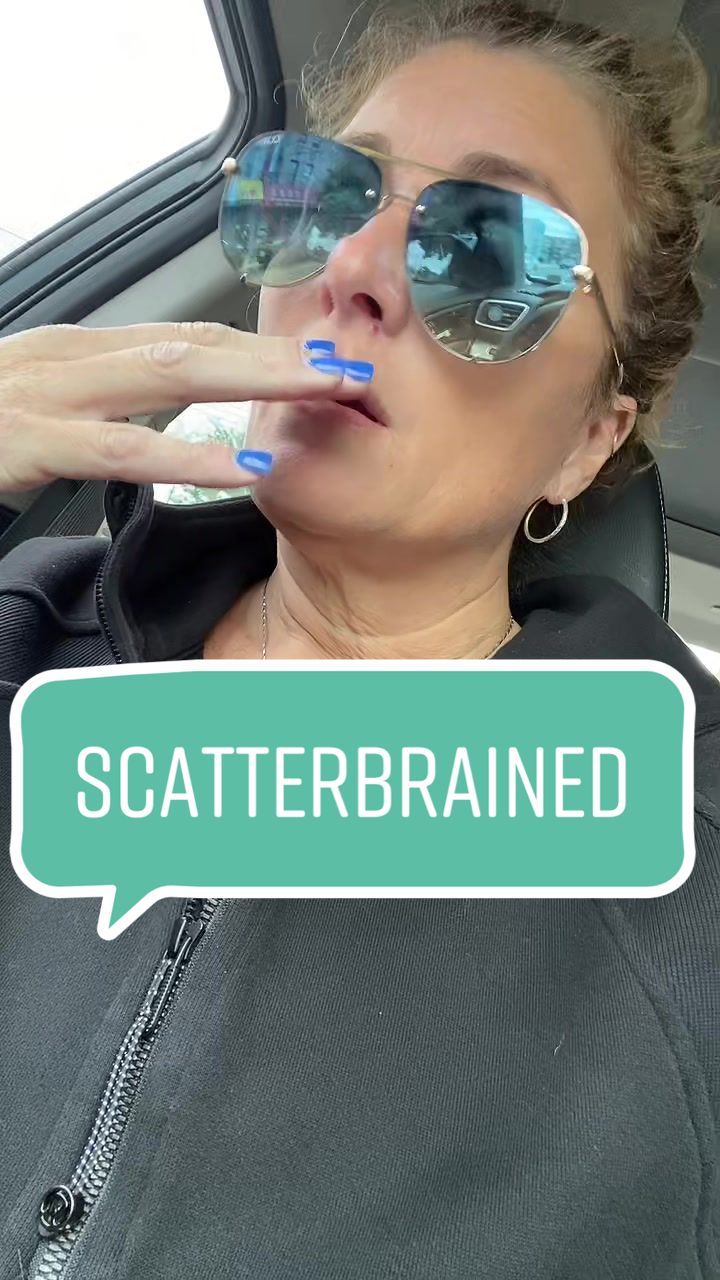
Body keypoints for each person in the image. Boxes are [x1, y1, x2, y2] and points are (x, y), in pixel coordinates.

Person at [1, 1, 719, 1276]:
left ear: (588, 438)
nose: (356, 271)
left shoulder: (686, 862)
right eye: (322, 197)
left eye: (489, 245)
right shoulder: (26, 628)